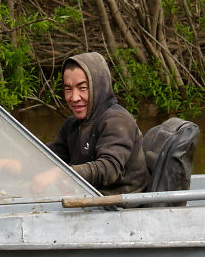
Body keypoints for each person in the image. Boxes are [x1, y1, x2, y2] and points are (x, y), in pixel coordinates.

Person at [29, 51, 149, 195]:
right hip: (90, 199)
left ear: (98, 88)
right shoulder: (72, 125)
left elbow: (109, 169)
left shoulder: (118, 121)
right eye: (68, 89)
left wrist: (59, 173)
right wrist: (8, 163)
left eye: (82, 88)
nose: (74, 97)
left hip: (121, 208)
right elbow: (48, 158)